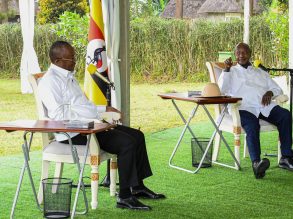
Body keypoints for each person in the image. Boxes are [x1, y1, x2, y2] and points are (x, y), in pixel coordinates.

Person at [38, 41, 165, 210]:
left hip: (89, 126)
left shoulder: (69, 77)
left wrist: (103, 109)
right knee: (127, 143)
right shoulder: (49, 82)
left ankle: (138, 187)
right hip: (74, 133)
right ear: (58, 60)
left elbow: (83, 105)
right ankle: (125, 197)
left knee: (137, 135)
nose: (76, 61)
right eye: (72, 58)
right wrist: (93, 118)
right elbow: (60, 116)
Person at [218, 42, 293, 179]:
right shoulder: (230, 71)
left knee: (285, 115)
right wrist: (227, 69)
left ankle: (286, 157)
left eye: (245, 52)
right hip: (242, 107)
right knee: (252, 124)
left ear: (250, 54)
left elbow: (277, 89)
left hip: (263, 106)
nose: (242, 55)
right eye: (238, 52)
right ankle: (256, 164)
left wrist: (270, 92)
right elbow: (221, 89)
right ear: (235, 55)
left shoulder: (260, 72)